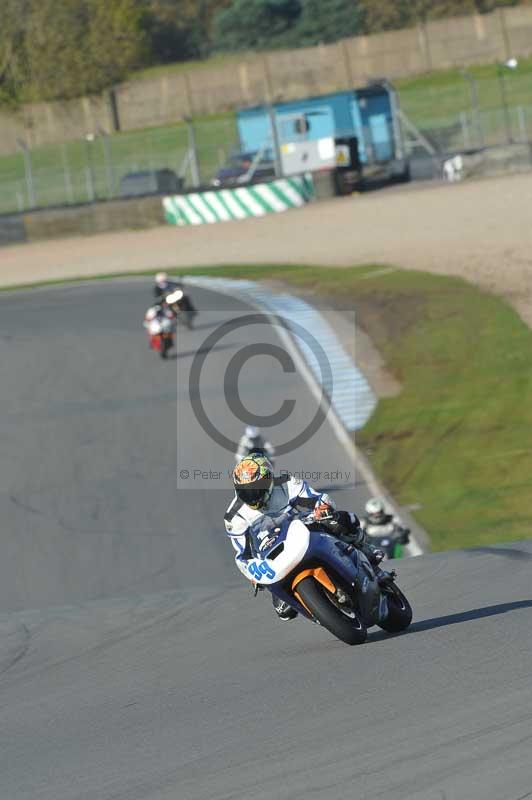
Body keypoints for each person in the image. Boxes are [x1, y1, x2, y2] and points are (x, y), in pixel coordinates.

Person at [224, 454, 386, 621]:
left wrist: (322, 508)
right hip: (275, 556)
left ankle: (367, 551)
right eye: (245, 491)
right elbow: (243, 556)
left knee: (341, 520)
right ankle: (320, 611)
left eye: (256, 488)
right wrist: (253, 574)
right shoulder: (233, 517)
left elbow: (317, 498)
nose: (252, 496)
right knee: (284, 611)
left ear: (269, 480)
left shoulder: (286, 484)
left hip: (304, 528)